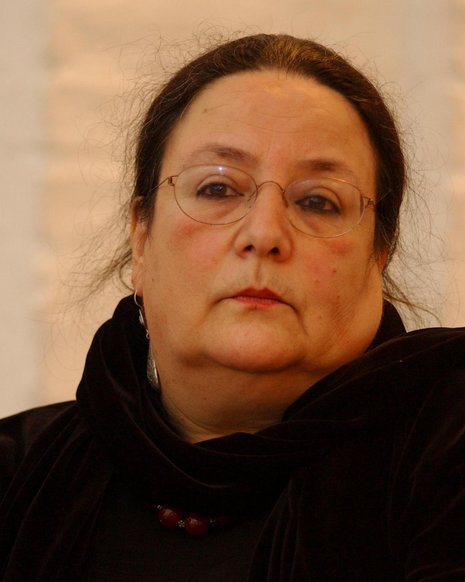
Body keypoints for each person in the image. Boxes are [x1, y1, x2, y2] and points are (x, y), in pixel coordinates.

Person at [0, 33, 464, 582]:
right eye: (218, 190)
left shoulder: (446, 439)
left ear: (378, 256)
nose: (264, 233)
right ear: (141, 238)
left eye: (318, 201)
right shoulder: (18, 469)